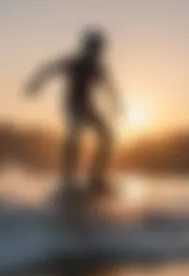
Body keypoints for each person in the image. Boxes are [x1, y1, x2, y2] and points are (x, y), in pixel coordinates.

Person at [25, 28, 122, 190]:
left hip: (88, 106)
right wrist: (36, 84)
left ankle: (95, 177)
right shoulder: (75, 63)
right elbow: (50, 69)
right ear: (88, 48)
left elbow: (110, 88)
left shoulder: (98, 68)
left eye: (99, 49)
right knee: (75, 136)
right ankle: (68, 177)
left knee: (107, 136)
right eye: (95, 49)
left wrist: (117, 105)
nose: (98, 53)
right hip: (73, 106)